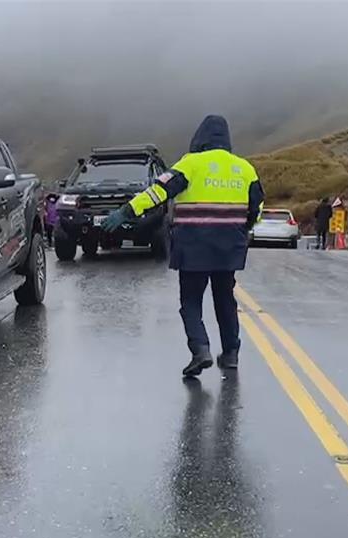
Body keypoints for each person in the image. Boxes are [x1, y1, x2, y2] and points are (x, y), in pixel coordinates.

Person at [101, 115, 264, 376]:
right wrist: (241, 229)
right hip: (228, 248)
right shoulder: (244, 169)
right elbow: (256, 208)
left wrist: (126, 212)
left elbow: (158, 192)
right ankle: (231, 353)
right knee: (225, 300)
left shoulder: (191, 164)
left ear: (200, 137)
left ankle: (201, 349)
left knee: (191, 301)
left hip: (194, 246)